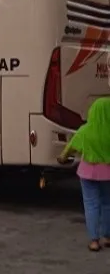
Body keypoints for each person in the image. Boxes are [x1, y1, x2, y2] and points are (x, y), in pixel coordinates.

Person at [58, 97, 110, 252]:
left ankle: (94, 241)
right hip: (107, 173)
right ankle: (107, 237)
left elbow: (68, 150)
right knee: (107, 204)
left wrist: (62, 158)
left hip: (87, 173)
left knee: (91, 204)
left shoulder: (84, 131)